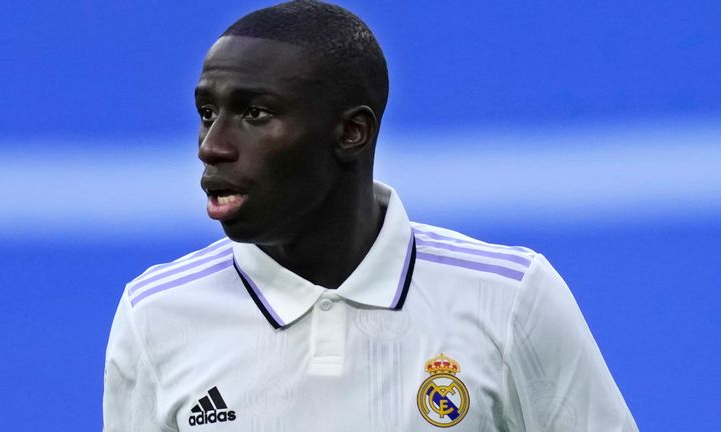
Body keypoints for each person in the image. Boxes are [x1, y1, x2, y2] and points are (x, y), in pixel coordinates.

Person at [103, 1, 638, 430]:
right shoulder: (154, 315)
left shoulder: (510, 297)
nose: (211, 146)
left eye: (254, 113)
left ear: (351, 132)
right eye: (206, 113)